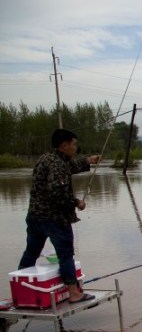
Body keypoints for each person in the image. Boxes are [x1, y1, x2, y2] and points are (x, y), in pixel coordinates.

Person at [18, 128, 100, 303]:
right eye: (74, 144)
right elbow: (58, 193)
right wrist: (77, 203)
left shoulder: (46, 159)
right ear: (64, 145)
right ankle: (74, 293)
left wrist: (88, 161)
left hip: (35, 217)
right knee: (65, 255)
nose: (75, 148)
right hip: (55, 219)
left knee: (31, 253)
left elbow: (70, 167)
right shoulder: (57, 164)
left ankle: (21, 291)